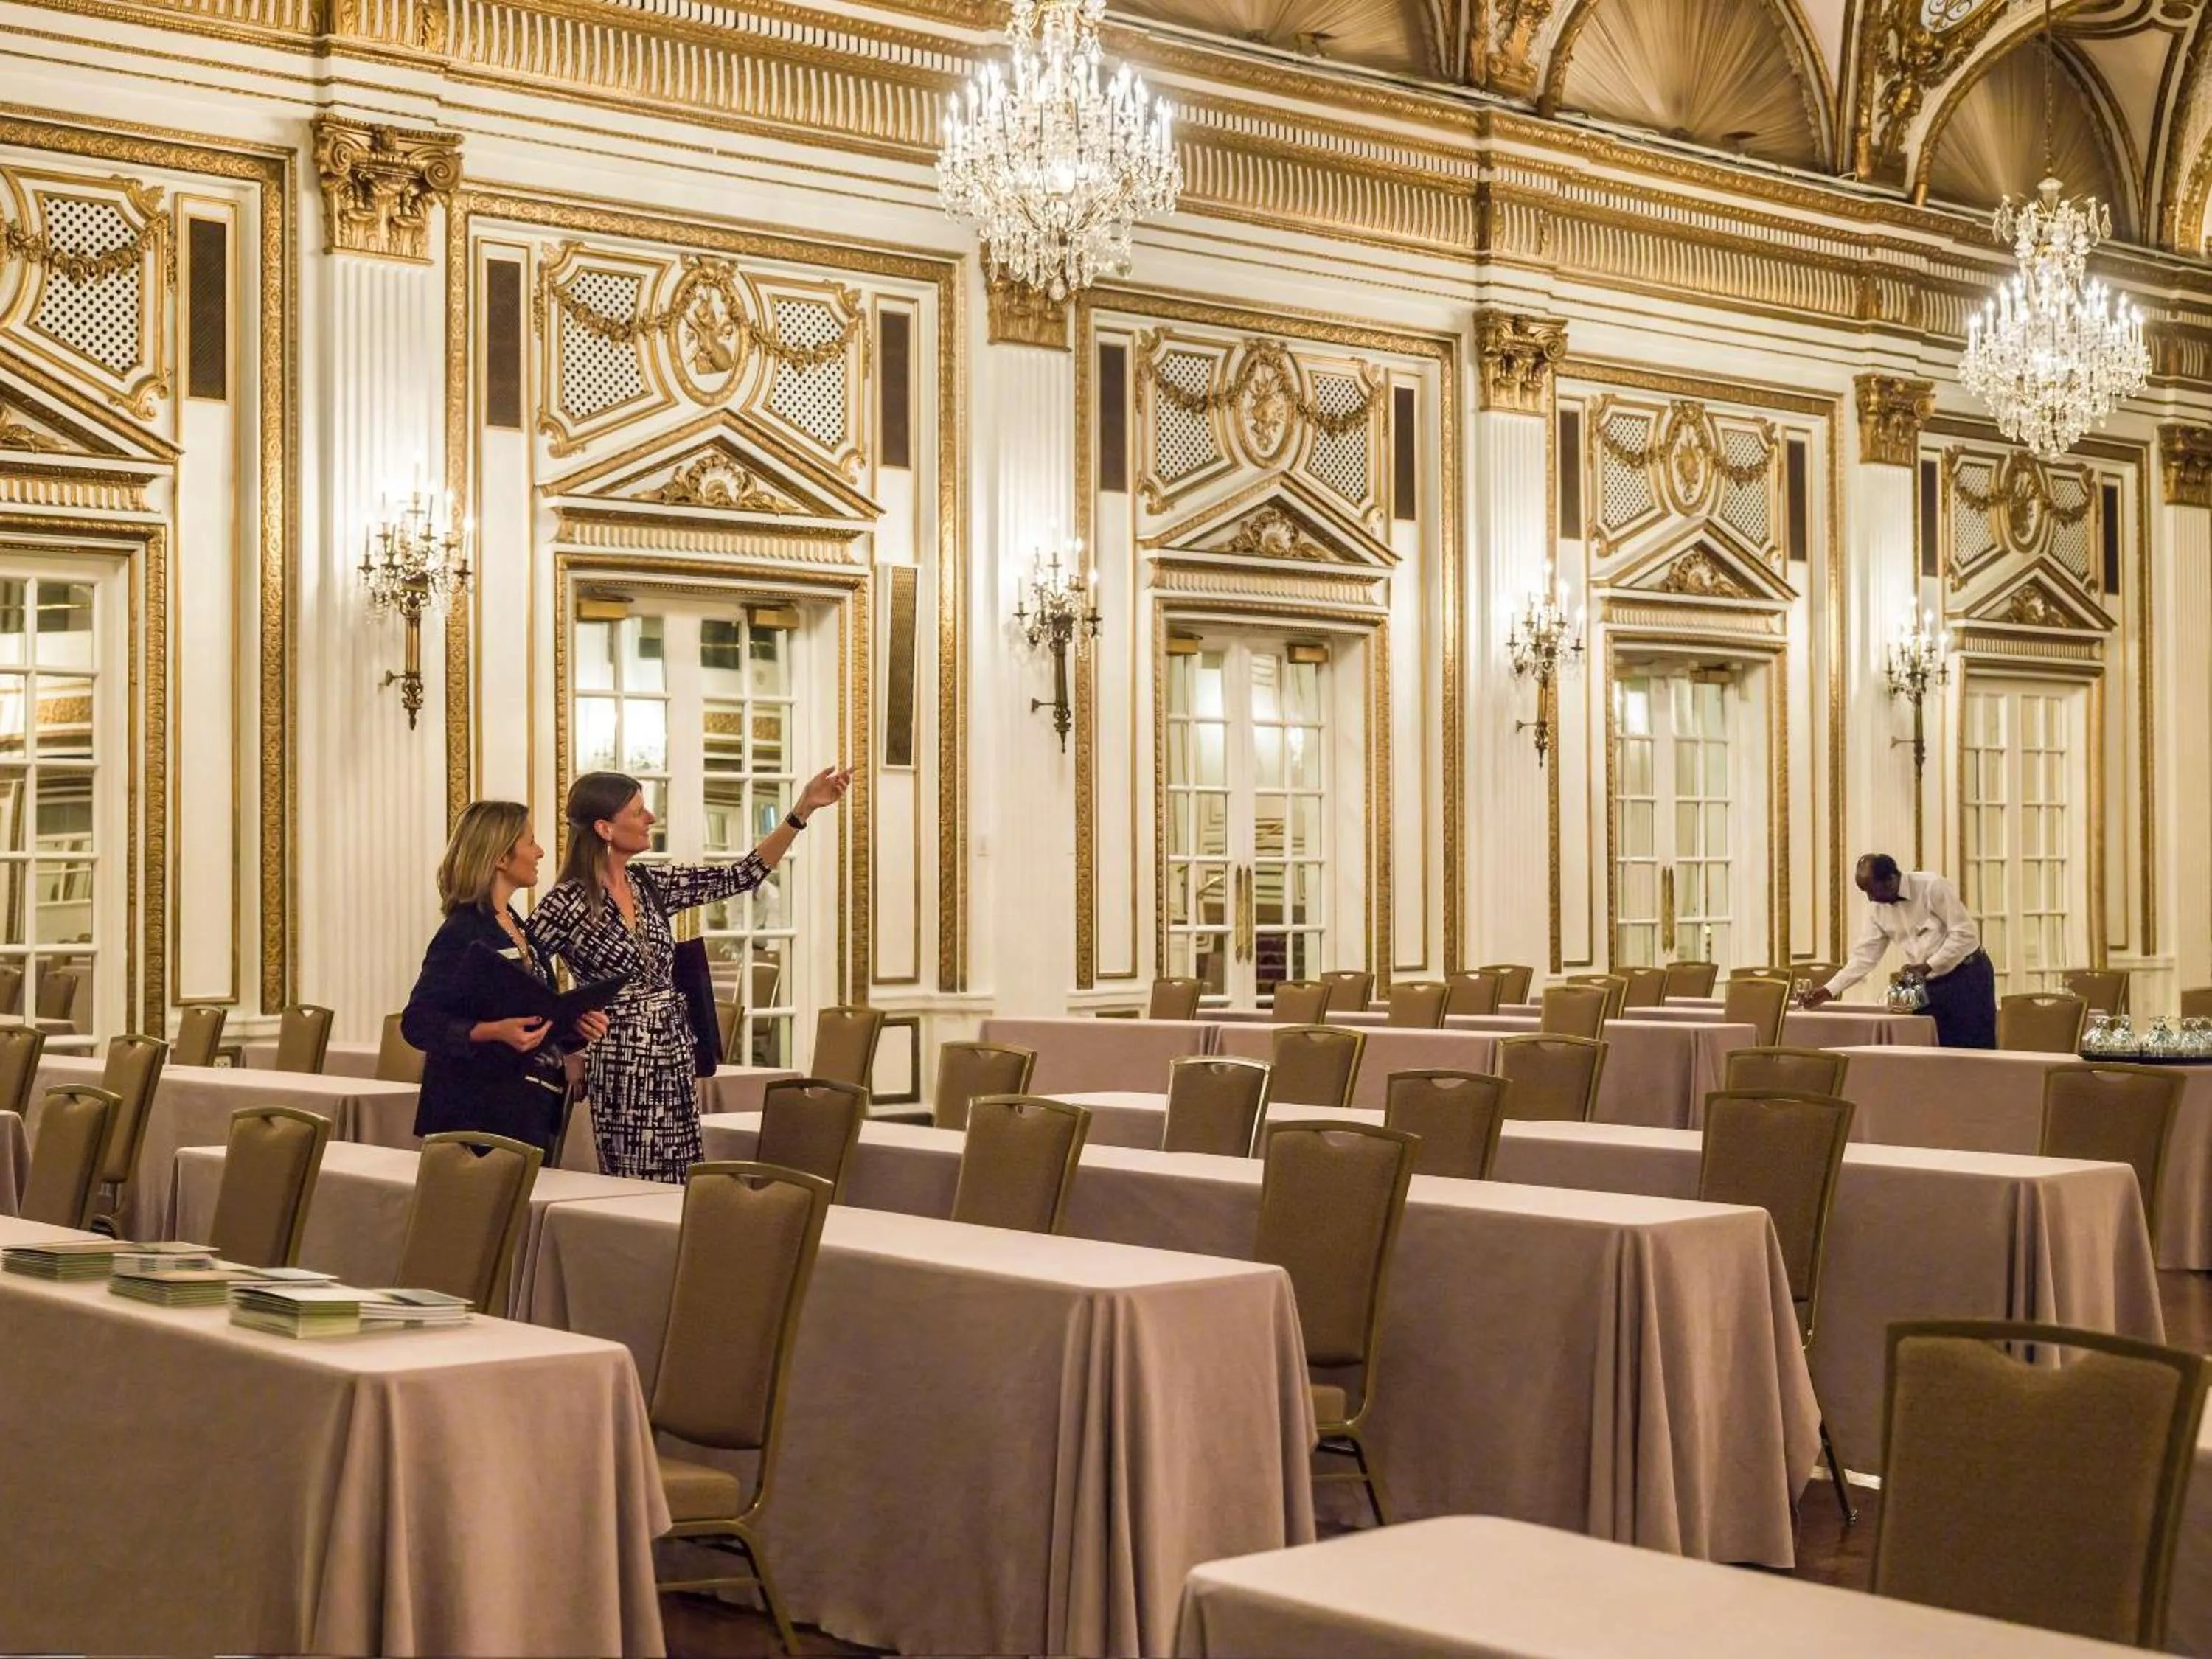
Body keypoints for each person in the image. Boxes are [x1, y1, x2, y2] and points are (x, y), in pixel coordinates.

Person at [529, 764, 852, 1181]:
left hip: (675, 1051)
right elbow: (524, 971)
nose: (651, 819)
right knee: (637, 1179)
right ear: (605, 829)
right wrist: (566, 1039)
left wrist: (802, 810)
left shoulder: (649, 884)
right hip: (622, 1061)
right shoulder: (566, 902)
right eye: (639, 811)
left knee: (683, 1177)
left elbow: (740, 876)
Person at [402, 800, 611, 1159]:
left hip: (525, 1111)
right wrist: (492, 1032)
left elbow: (529, 1015)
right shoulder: (463, 930)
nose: (541, 852)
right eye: (531, 842)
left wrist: (572, 1025)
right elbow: (418, 1023)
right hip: (475, 1118)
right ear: (501, 857)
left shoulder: (519, 928)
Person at [1802, 852, 1997, 1048]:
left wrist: (1928, 966)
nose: (1870, 898)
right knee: (1931, 1052)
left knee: (1975, 1051)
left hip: (1967, 976)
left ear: (1891, 879)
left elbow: (1965, 935)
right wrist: (1828, 991)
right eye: (1865, 892)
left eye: (1872, 890)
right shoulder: (1878, 908)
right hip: (1927, 983)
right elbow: (1864, 957)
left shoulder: (1932, 887)